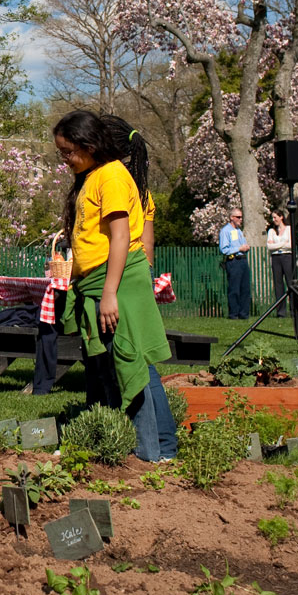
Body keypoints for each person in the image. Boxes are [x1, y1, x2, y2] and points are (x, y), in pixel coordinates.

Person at [53, 110, 171, 462]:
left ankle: (153, 453)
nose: (65, 159)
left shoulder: (113, 177)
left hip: (115, 283)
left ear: (90, 146)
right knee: (115, 366)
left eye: (68, 151)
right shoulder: (94, 175)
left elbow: (121, 238)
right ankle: (145, 447)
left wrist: (108, 295)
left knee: (131, 363)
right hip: (98, 282)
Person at [101, 114, 177, 461]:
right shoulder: (140, 187)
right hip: (137, 275)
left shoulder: (114, 182)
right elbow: (148, 244)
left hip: (122, 278)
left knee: (138, 364)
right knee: (145, 361)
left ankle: (157, 446)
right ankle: (165, 443)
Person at [219, 207, 251, 319]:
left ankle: (244, 313)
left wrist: (246, 247)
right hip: (233, 261)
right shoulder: (225, 231)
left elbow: (243, 244)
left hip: (243, 260)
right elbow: (224, 249)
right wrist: (239, 249)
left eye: (241, 217)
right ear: (232, 218)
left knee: (245, 288)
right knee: (234, 289)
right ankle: (234, 313)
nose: (240, 219)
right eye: (238, 217)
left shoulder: (239, 231)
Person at [267, 209, 293, 318]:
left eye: (275, 217)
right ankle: (281, 311)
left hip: (287, 257)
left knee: (290, 283)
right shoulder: (272, 231)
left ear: (281, 217)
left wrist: (277, 244)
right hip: (276, 258)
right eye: (272, 218)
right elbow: (269, 246)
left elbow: (291, 245)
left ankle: (294, 310)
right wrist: (283, 243)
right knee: (278, 284)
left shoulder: (289, 229)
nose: (274, 220)